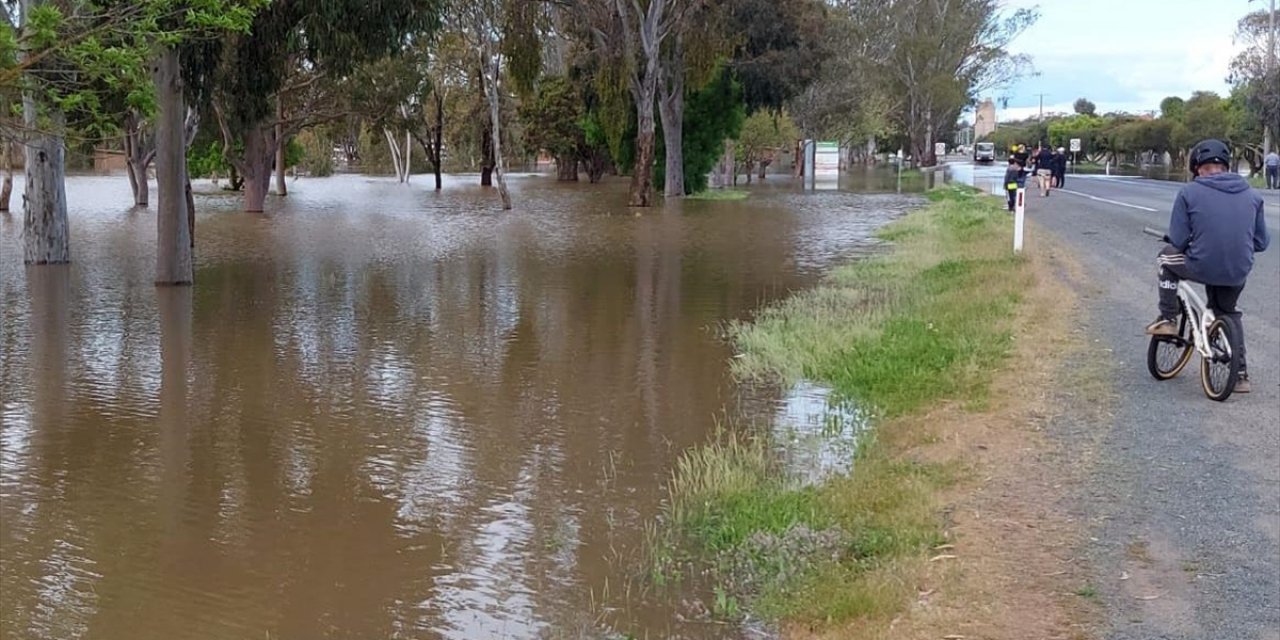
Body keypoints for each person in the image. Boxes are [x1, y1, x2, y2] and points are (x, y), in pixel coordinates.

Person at [1145, 139, 1270, 393]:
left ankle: (1168, 317)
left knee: (1165, 258)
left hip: (1201, 264)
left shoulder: (1189, 192)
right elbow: (1261, 242)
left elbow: (1178, 241)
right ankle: (1240, 375)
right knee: (1228, 311)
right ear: (1225, 165)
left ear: (1197, 167)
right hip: (1238, 268)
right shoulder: (1253, 195)